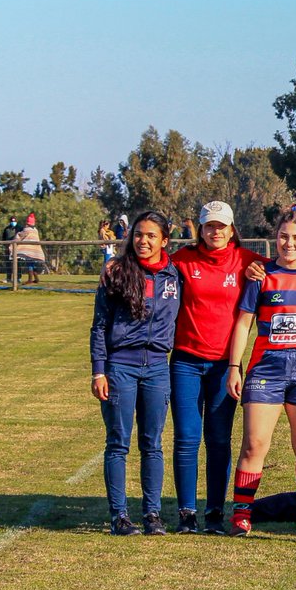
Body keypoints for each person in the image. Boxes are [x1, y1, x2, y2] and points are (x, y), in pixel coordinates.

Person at [166, 201, 269, 534]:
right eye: (210, 226)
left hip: (226, 366)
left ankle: (213, 512)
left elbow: (288, 265)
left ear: (232, 228)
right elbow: (150, 267)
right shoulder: (182, 260)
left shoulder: (247, 261)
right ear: (200, 228)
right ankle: (186, 513)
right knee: (186, 438)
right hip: (185, 361)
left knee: (219, 439)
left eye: (222, 226)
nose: (216, 232)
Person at [225, 204, 296, 536]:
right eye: (283, 237)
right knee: (255, 444)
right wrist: (233, 367)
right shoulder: (261, 275)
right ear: (276, 238)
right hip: (266, 368)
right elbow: (243, 325)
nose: (289, 244)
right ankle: (242, 513)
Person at [89, 211, 181, 535]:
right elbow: (99, 326)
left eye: (151, 236)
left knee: (152, 443)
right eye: (139, 235)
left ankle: (152, 515)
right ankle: (119, 516)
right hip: (120, 368)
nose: (144, 241)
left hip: (157, 368)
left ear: (164, 241)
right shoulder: (116, 272)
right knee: (118, 443)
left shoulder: (175, 275)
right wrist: (99, 371)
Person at [14, 213, 46, 284]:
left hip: (29, 251)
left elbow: (20, 236)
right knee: (32, 264)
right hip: (36, 250)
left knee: (30, 264)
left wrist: (17, 235)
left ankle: (30, 279)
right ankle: (36, 279)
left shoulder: (27, 230)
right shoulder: (35, 230)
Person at [1, 216, 19, 282]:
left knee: (17, 264)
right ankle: (8, 278)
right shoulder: (6, 229)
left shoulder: (19, 228)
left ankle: (17, 278)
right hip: (8, 249)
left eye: (14, 221)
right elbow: (3, 238)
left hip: (17, 249)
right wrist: (5, 246)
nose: (13, 222)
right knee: (8, 264)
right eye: (12, 221)